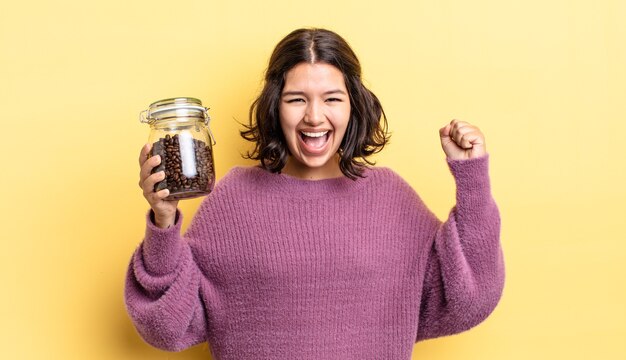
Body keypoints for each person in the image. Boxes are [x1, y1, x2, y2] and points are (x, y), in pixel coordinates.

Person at [125, 28, 505, 359]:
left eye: (332, 98)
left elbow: (469, 297)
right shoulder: (234, 199)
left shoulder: (391, 199)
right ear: (276, 107)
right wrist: (162, 219)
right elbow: (167, 327)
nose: (314, 116)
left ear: (353, 105)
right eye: (296, 99)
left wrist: (471, 177)